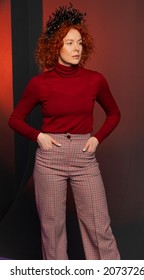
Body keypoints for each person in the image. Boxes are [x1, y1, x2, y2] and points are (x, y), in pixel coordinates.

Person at [9, 3, 121, 260]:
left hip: (84, 157)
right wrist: (39, 136)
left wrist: (96, 138)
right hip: (50, 159)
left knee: (99, 227)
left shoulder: (95, 80)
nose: (76, 48)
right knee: (53, 230)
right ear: (55, 46)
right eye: (69, 43)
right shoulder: (40, 84)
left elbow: (114, 113)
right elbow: (15, 119)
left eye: (79, 43)